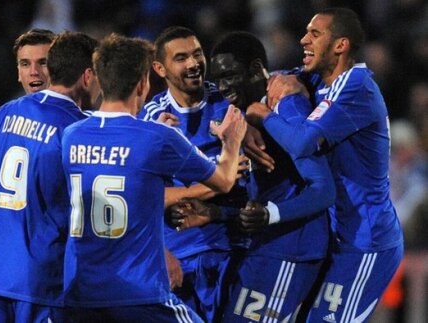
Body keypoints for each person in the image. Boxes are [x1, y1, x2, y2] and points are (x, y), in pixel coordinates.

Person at [61, 33, 246, 322]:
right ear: (143, 83)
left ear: (100, 80)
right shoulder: (157, 137)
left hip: (79, 291)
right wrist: (231, 143)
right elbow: (223, 179)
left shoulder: (72, 135)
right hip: (138, 293)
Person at [247, 8, 403, 322]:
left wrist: (262, 115)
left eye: (315, 34)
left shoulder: (356, 87)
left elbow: (303, 143)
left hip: (366, 241)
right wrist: (252, 114)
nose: (303, 39)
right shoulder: (319, 77)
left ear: (340, 45)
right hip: (338, 235)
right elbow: (275, 83)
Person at [173, 30, 334, 322]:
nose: (223, 88)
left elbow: (323, 189)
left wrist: (271, 214)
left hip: (294, 248)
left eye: (231, 76)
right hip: (268, 246)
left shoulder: (286, 104)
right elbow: (261, 202)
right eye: (218, 79)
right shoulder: (242, 116)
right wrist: (215, 213)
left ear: (256, 69)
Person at [0, 31, 100, 323]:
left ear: (58, 65)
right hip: (44, 282)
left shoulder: (5, 114)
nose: (34, 72)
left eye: (42, 62)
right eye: (25, 64)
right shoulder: (79, 128)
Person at [138, 26, 252, 322]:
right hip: (181, 258)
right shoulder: (152, 121)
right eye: (181, 57)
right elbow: (144, 197)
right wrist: (219, 179)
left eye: (197, 54)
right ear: (160, 68)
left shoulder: (229, 105)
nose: (193, 63)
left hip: (235, 249)